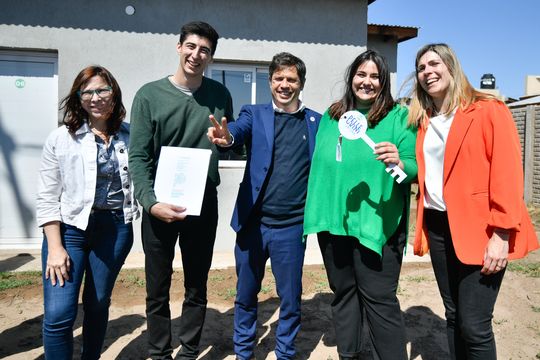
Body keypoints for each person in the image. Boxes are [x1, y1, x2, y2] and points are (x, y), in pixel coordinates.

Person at [409, 43, 539, 360]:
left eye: (434, 63)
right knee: (453, 316)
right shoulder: (424, 121)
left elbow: (508, 175)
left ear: (451, 66)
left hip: (482, 229)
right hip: (439, 226)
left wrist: (502, 234)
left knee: (475, 326)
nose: (428, 71)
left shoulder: (488, 110)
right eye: (421, 68)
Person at [303, 50, 417, 360]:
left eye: (374, 77)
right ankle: (349, 355)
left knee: (379, 301)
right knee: (343, 296)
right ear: (351, 77)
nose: (366, 82)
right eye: (361, 74)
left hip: (377, 225)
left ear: (384, 83)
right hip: (334, 223)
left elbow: (415, 168)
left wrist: (400, 162)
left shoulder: (399, 117)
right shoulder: (333, 115)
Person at [129, 21, 233, 359]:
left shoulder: (220, 95)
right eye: (191, 46)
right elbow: (138, 157)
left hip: (202, 202)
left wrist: (229, 142)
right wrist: (150, 203)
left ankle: (189, 351)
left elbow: (228, 144)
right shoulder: (149, 95)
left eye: (204, 50)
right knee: (157, 287)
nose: (196, 54)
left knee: (196, 285)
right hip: (160, 204)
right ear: (179, 47)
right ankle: (159, 353)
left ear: (211, 56)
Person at [207, 52, 321, 360]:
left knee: (291, 299)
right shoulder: (253, 114)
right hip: (253, 225)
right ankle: (244, 353)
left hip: (292, 227)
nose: (285, 85)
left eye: (291, 79)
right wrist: (227, 137)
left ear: (301, 83)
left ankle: (285, 353)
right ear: (269, 81)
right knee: (245, 295)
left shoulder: (316, 123)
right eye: (279, 78)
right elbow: (237, 133)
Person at [36, 65, 138, 359]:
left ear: (114, 93)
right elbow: (46, 196)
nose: (96, 97)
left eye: (102, 90)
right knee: (58, 314)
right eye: (87, 92)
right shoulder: (61, 138)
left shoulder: (131, 136)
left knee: (97, 303)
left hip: (115, 230)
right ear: (78, 98)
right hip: (69, 231)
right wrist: (55, 247)